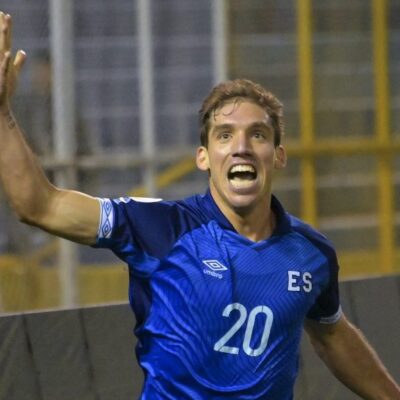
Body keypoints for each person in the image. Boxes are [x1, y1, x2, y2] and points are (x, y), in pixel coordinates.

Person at [0, 11, 399, 400]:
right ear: (203, 157)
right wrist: (3, 114)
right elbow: (39, 206)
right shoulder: (158, 227)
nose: (241, 147)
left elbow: (332, 333)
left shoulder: (312, 253)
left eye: (258, 135)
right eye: (225, 135)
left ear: (278, 156)